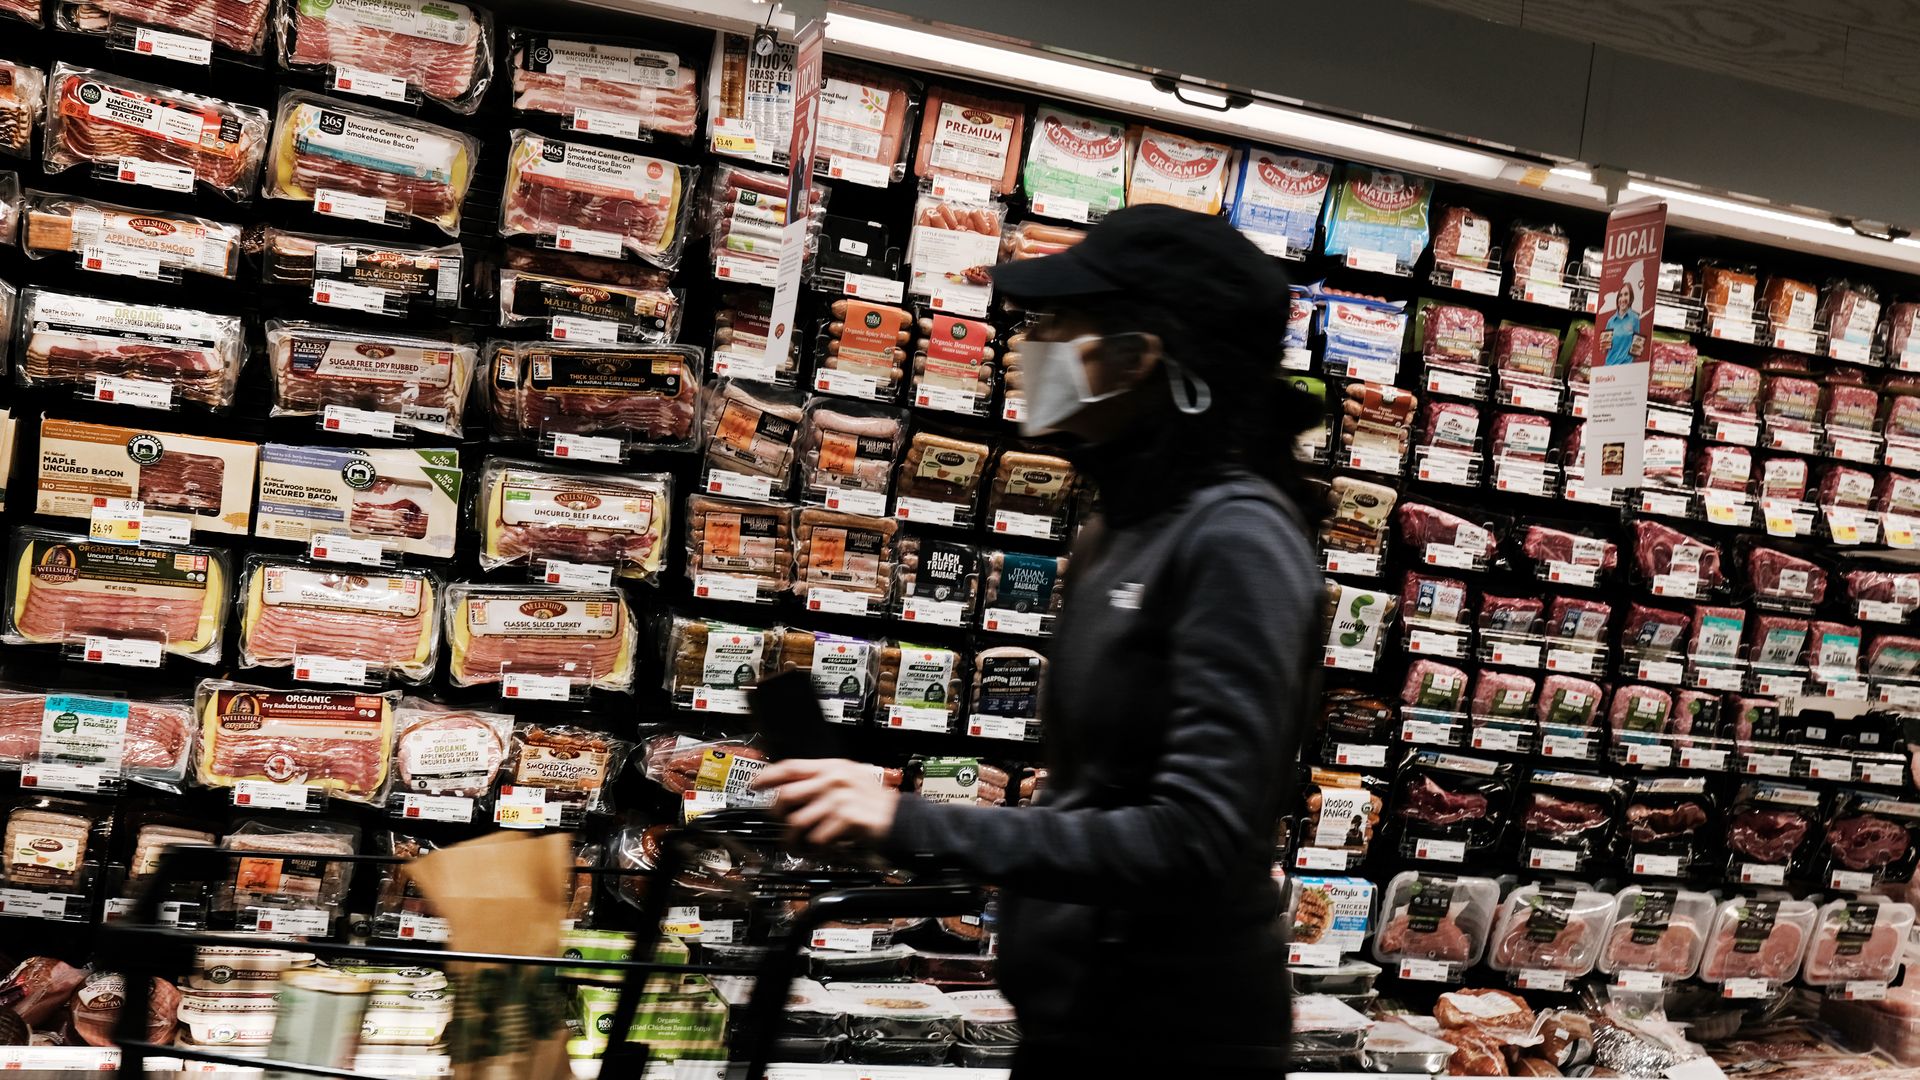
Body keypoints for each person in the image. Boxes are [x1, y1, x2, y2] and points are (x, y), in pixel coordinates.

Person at [755, 204, 1324, 1076]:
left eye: (1058, 323)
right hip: (1078, 1022)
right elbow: (1096, 799)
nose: (1028, 346)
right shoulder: (1122, 525)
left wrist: (911, 818)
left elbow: (1196, 838)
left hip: (1175, 1042)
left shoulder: (1238, 539)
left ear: (1140, 356)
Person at [1603, 281, 1644, 366]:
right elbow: (1604, 350)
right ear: (1617, 299)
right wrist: (1603, 343)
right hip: (1609, 366)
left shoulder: (1635, 319)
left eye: (1626, 294)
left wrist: (1639, 349)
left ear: (1631, 298)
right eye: (1620, 295)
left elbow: (1636, 349)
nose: (1623, 299)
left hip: (1625, 369)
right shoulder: (1610, 321)